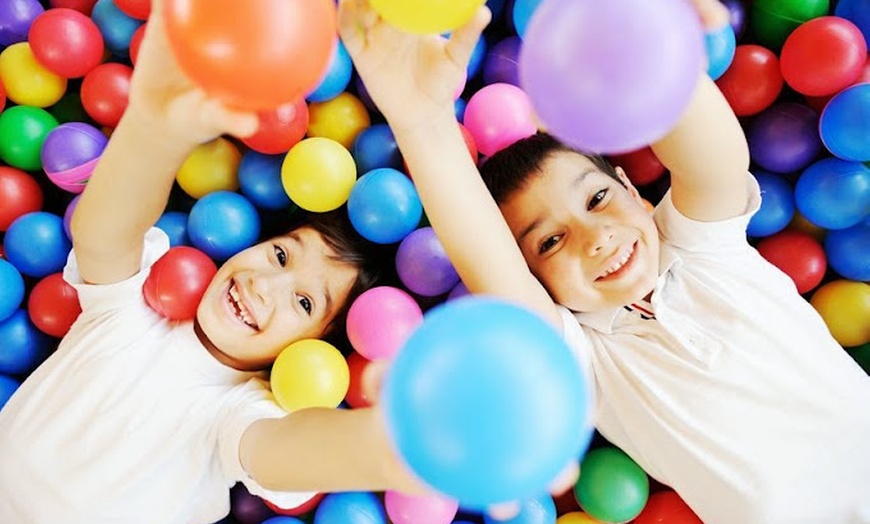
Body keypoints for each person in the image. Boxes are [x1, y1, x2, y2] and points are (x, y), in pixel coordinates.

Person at [338, 0, 870, 522]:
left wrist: (643, 25)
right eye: (549, 242)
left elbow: (715, 160)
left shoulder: (706, 248)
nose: (594, 238)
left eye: (596, 200)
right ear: (536, 281)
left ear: (633, 191)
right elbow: (483, 255)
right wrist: (421, 122)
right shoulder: (584, 361)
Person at [0, 2, 422, 522]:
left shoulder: (239, 412)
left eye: (306, 301)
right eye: (281, 254)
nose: (267, 284)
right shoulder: (136, 311)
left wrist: (405, 451)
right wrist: (154, 127)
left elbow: (292, 451)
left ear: (315, 351)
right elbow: (101, 233)